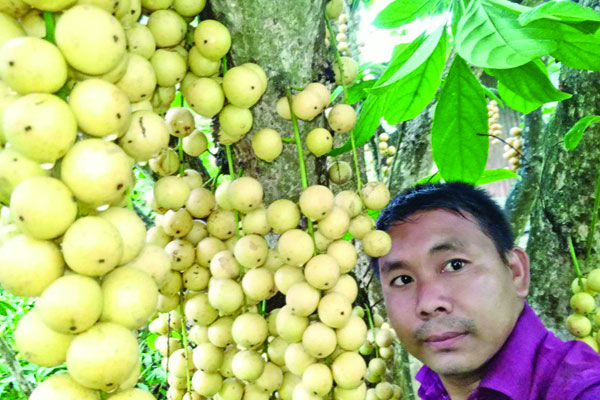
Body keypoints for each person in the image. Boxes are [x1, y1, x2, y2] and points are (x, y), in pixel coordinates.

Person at [373, 182, 600, 400]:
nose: (428, 303)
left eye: (455, 265)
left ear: (515, 272)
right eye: (403, 279)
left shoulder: (582, 389)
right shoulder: (434, 389)